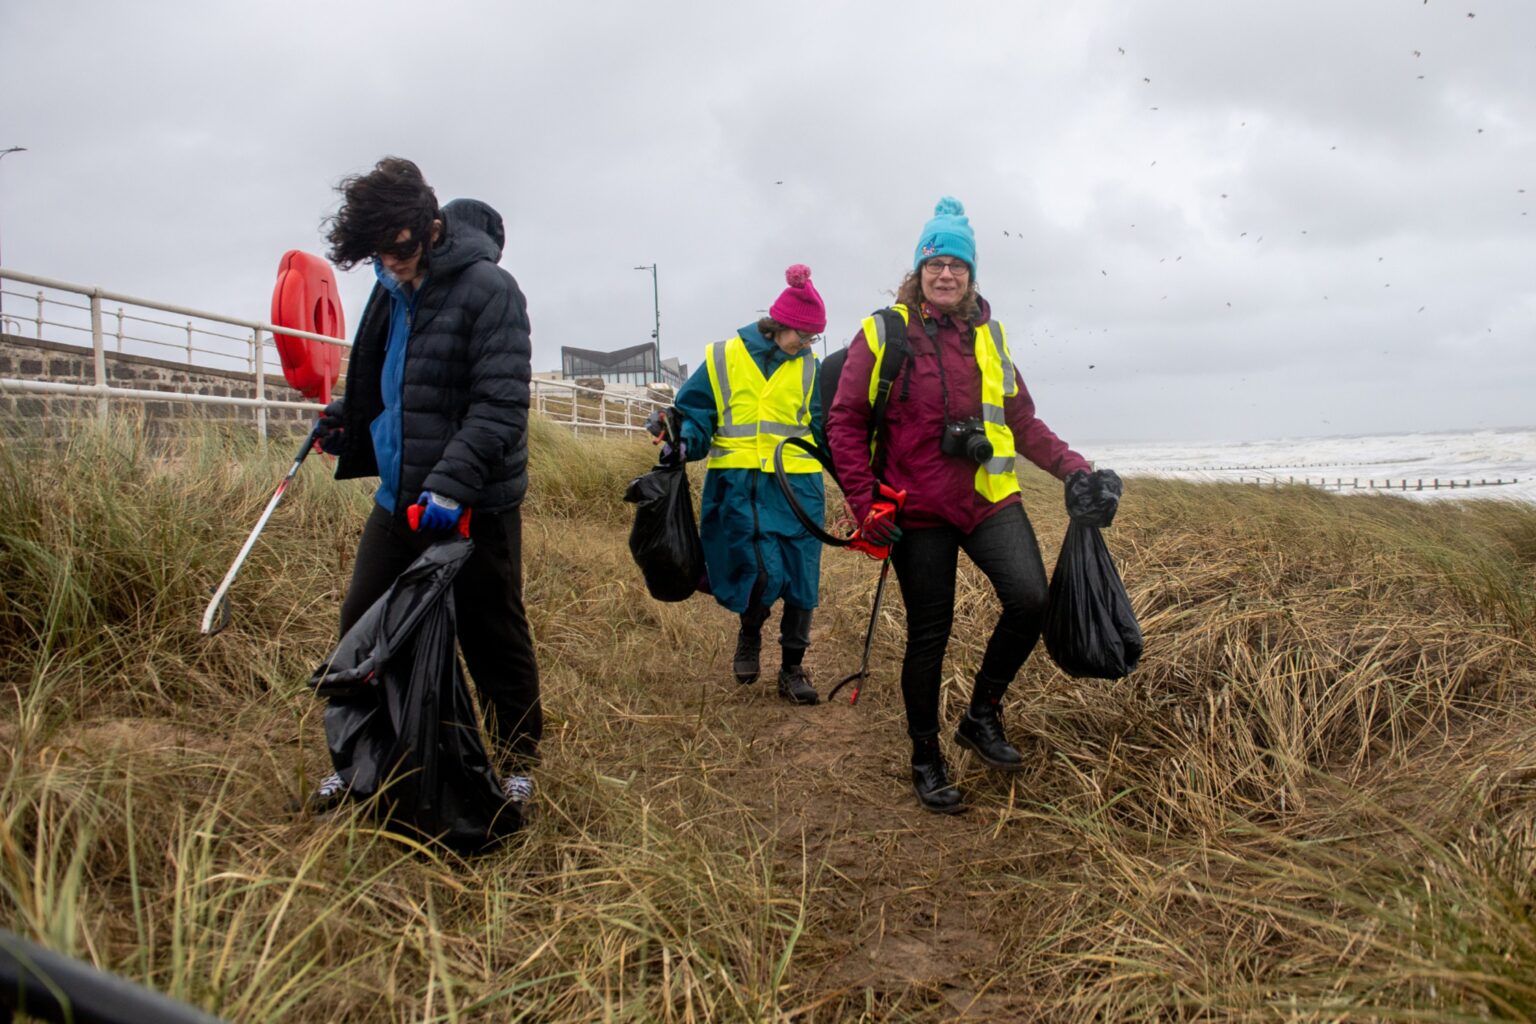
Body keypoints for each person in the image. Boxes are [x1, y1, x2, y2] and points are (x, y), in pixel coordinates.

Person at [825, 197, 1120, 814]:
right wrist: (863, 505)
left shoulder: (991, 335)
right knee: (930, 635)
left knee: (1031, 599)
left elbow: (1023, 420)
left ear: (971, 274)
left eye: (958, 264)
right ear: (918, 271)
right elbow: (845, 424)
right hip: (916, 509)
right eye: (936, 263)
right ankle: (925, 755)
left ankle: (981, 713)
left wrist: (1075, 468)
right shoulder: (883, 333)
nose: (947, 274)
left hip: (988, 499)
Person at [307, 157, 541, 815]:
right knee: (362, 627)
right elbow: (389, 376)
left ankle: (519, 763)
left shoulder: (491, 289)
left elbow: (498, 404)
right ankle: (359, 763)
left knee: (492, 632)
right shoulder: (389, 284)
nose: (392, 264)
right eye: (378, 255)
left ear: (429, 226)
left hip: (473, 503)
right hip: (399, 498)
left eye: (400, 249)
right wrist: (345, 419)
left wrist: (451, 485)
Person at [647, 265, 829, 705]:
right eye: (802, 336)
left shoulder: (811, 369)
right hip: (740, 488)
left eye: (812, 339)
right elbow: (694, 413)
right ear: (779, 324)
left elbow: (828, 431)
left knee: (802, 578)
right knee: (760, 572)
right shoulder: (722, 357)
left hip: (798, 489)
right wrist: (684, 440)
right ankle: (750, 635)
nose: (806, 346)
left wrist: (864, 487)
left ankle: (792, 668)